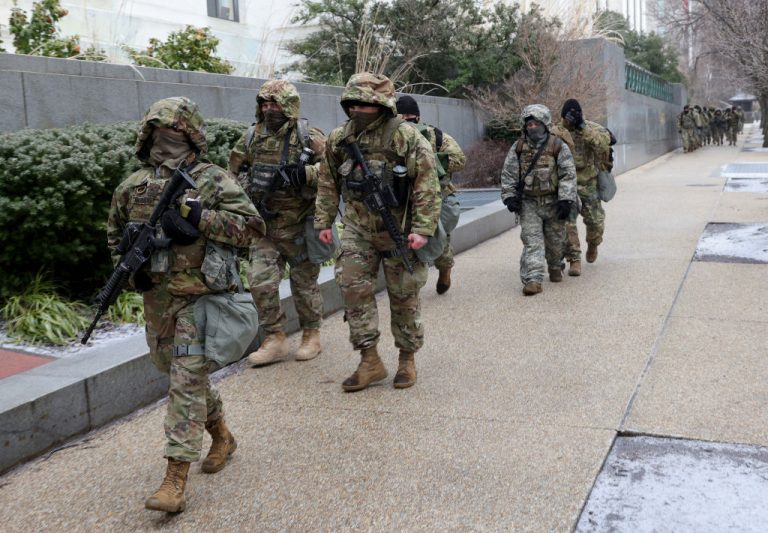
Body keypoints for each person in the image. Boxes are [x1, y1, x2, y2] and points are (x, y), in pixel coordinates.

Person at [107, 97, 264, 513]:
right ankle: (222, 434)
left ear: (192, 134)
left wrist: (200, 218)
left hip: (200, 297)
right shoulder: (132, 186)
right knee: (174, 370)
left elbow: (252, 229)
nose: (167, 138)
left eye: (175, 130)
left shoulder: (211, 180)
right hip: (158, 300)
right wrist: (130, 266)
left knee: (185, 379)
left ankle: (174, 478)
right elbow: (115, 238)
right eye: (159, 131)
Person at [315, 72, 441, 391]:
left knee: (404, 296)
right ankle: (369, 360)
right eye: (353, 104)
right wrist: (324, 221)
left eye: (365, 104)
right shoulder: (339, 138)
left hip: (400, 229)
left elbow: (427, 183)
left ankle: (407, 359)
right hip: (358, 228)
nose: (358, 110)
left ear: (382, 105)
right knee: (352, 286)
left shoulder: (405, 136)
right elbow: (328, 181)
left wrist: (423, 229)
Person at [229, 81, 328, 366]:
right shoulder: (251, 137)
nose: (269, 109)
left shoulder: (308, 136)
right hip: (264, 227)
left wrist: (306, 174)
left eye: (275, 103)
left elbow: (334, 171)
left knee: (304, 284)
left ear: (289, 105)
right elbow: (231, 173)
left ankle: (311, 334)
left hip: (300, 225)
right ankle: (275, 337)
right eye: (265, 104)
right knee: (260, 282)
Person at [500, 104, 577, 295]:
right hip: (529, 203)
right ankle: (533, 279)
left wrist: (566, 199)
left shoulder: (558, 146)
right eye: (529, 124)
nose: (533, 127)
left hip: (553, 203)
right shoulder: (518, 147)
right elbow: (509, 173)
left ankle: (555, 265)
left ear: (545, 124)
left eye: (536, 123)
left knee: (555, 241)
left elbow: (568, 173)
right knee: (532, 241)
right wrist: (509, 196)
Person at [396, 94, 466, 294]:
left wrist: (426, 160)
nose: (407, 120)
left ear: (418, 116)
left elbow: (459, 159)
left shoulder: (435, 135)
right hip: (404, 198)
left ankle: (445, 270)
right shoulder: (393, 137)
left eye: (410, 116)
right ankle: (412, 287)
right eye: (402, 117)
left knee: (439, 240)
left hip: (436, 196)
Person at [560, 98, 611, 274]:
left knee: (596, 223)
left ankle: (593, 244)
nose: (570, 120)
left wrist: (582, 126)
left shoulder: (592, 128)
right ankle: (574, 259)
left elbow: (602, 146)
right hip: (566, 185)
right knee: (568, 224)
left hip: (589, 184)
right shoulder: (556, 131)